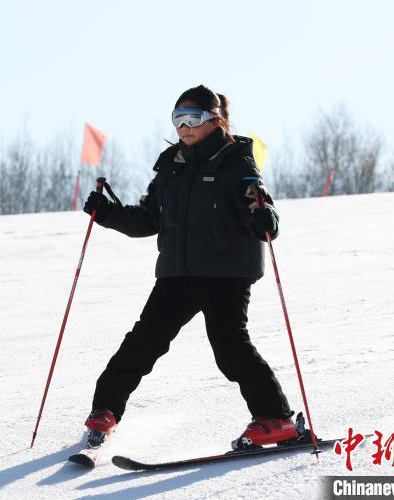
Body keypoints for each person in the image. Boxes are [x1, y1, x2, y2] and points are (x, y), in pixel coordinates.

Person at [81, 85, 296, 450]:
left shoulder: (237, 161)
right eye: (177, 119)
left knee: (230, 347)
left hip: (226, 273)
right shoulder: (171, 165)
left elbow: (262, 211)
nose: (184, 127)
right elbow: (149, 218)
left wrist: (264, 218)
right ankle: (105, 411)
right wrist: (108, 214)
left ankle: (275, 419)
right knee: (142, 343)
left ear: (215, 120)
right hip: (178, 272)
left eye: (193, 118)